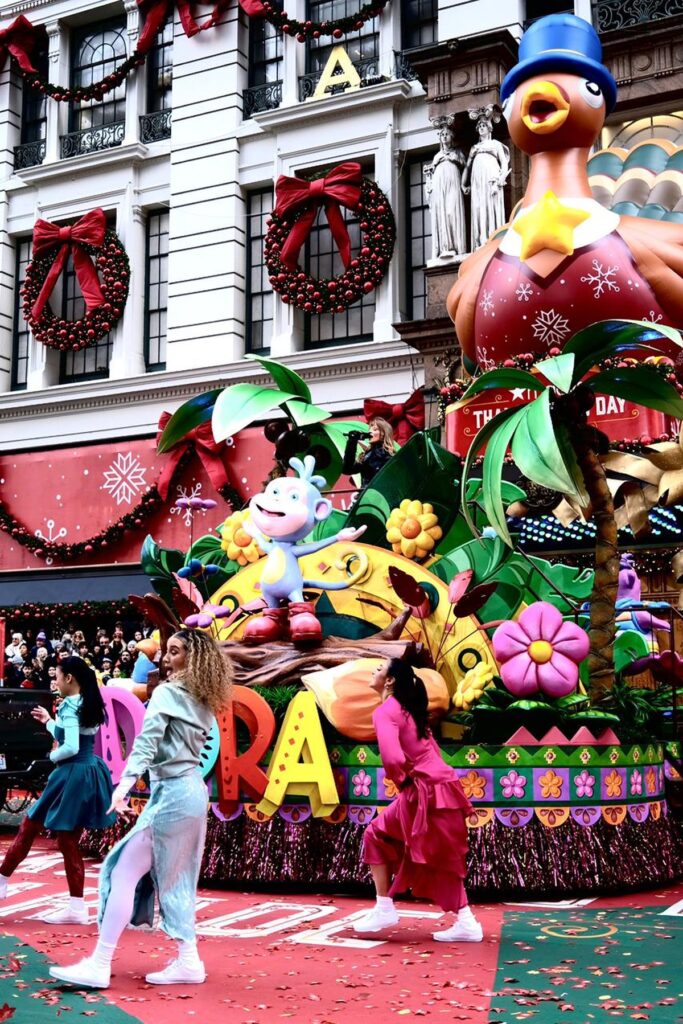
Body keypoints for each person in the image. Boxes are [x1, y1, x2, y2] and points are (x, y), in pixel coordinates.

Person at [50, 628, 233, 990]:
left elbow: (146, 743)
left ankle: (100, 964)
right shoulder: (203, 697)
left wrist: (123, 787)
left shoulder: (168, 693)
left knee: (121, 872)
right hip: (190, 793)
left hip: (174, 794)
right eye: (167, 650)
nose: (165, 657)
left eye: (175, 651)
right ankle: (188, 960)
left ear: (193, 658)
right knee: (176, 880)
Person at [353, 658, 483, 942]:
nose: (374, 671)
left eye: (379, 669)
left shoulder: (386, 711)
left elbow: (392, 758)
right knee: (439, 854)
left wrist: (404, 783)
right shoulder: (409, 710)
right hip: (441, 786)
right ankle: (463, 921)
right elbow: (433, 751)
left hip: (424, 789)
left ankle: (387, 907)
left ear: (390, 681)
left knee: (381, 836)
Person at [0, 657, 114, 924]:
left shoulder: (70, 705)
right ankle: (76, 906)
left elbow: (71, 746)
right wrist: (50, 721)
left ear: (69, 678)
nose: (56, 681)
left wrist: (51, 757)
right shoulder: (88, 701)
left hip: (70, 773)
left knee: (30, 826)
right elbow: (75, 736)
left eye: (58, 677)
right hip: (88, 771)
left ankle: (2, 880)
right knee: (66, 840)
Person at [461, 108, 510, 251]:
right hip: (477, 179)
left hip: (491, 176)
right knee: (479, 205)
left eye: (484, 126)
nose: (481, 128)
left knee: (490, 203)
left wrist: (500, 178)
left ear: (489, 129)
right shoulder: (474, 148)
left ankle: (492, 236)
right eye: (480, 126)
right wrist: (463, 184)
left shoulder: (495, 144)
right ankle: (481, 239)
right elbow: (467, 167)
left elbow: (504, 162)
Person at [425, 122, 467, 259]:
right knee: (442, 212)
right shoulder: (437, 156)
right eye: (442, 134)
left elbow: (465, 166)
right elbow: (431, 171)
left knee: (452, 211)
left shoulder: (457, 153)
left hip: (453, 182)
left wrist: (455, 159)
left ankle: (457, 246)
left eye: (447, 134)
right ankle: (445, 247)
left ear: (451, 137)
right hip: (440, 184)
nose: (444, 136)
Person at [342, 417, 394, 487]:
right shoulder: (367, 455)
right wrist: (352, 442)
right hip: (366, 492)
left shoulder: (389, 455)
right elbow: (347, 469)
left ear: (383, 434)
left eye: (375, 429)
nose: (370, 432)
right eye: (370, 429)